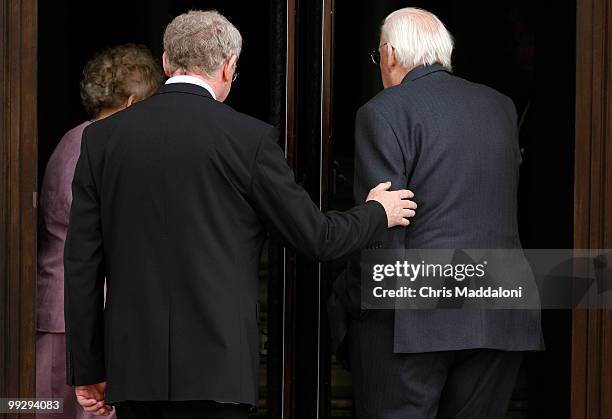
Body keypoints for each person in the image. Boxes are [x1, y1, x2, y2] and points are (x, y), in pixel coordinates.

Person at [63, 10, 417, 419]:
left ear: (165, 61)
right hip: (219, 373)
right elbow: (316, 237)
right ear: (230, 66)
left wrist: (88, 368)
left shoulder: (102, 139)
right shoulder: (248, 139)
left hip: (133, 371)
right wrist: (378, 212)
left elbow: (82, 264)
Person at [328, 8, 544, 419]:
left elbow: (382, 230)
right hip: (499, 309)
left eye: (378, 58)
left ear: (389, 53)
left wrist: (353, 306)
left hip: (412, 322)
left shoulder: (383, 111)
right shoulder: (500, 107)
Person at [37, 44, 163, 418]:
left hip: (59, 307)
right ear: (131, 103)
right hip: (78, 315)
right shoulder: (99, 147)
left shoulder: (73, 138)